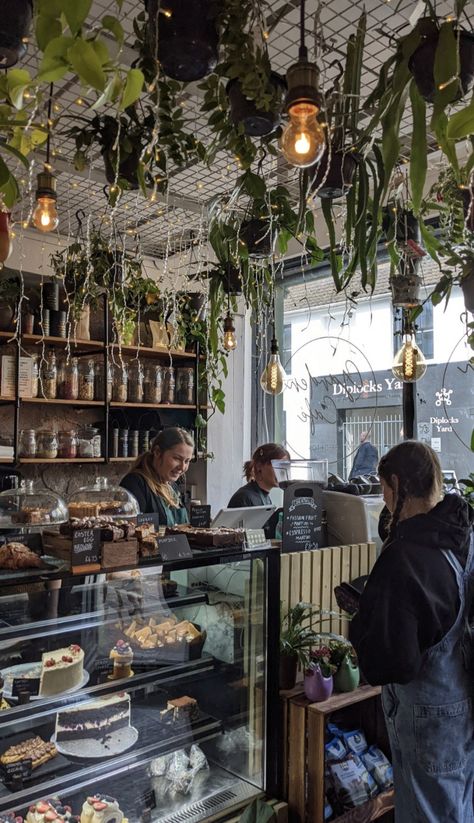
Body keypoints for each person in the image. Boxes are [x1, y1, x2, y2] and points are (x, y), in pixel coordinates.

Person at [349, 441, 474, 822]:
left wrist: (363, 618)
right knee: (458, 806)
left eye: (385, 487)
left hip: (426, 715)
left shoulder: (404, 555)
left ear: (396, 484)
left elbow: (392, 662)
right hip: (463, 701)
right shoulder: (463, 535)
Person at [120, 427, 194, 525]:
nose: (182, 467)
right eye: (177, 458)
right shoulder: (134, 483)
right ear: (157, 452)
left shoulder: (172, 486)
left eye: (187, 461)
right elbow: (129, 530)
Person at [227, 443, 290, 508]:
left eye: (285, 466)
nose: (282, 472)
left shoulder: (264, 497)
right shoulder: (244, 498)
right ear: (259, 467)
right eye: (278, 465)